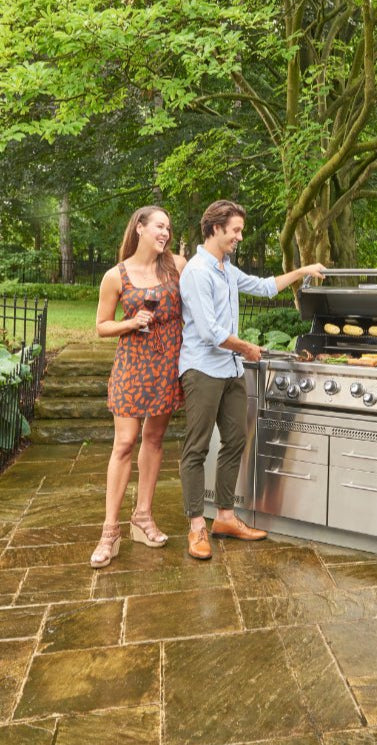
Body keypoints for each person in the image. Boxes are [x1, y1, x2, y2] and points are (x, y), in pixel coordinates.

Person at [179, 199, 325, 560]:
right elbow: (210, 332)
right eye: (235, 230)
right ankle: (196, 527)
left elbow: (264, 286)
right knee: (197, 448)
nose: (239, 237)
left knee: (235, 441)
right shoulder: (197, 272)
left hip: (231, 370)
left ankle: (225, 517)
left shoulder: (226, 269)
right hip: (202, 370)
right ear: (216, 229)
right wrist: (246, 347)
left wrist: (302, 270)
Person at [91, 206, 187, 568]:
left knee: (155, 439)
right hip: (132, 366)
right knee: (125, 442)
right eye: (159, 226)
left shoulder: (176, 266)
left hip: (166, 365)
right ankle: (110, 530)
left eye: (168, 227)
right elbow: (102, 325)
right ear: (140, 228)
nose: (165, 232)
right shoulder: (115, 276)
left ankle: (143, 516)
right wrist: (130, 322)